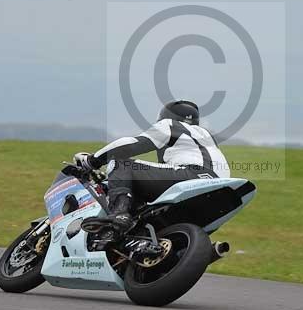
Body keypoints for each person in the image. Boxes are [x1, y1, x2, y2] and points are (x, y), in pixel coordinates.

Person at [73, 100, 229, 234]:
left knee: (121, 163)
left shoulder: (170, 125)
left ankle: (120, 213)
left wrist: (92, 160)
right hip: (220, 186)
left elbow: (132, 145)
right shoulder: (206, 137)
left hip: (191, 175)